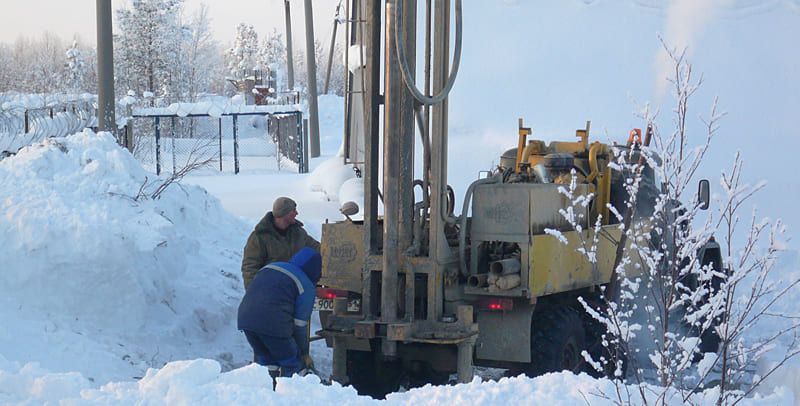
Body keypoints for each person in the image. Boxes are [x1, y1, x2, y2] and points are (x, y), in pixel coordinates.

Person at [238, 247, 322, 389]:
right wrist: (304, 354)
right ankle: (301, 396)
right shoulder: (305, 284)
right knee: (293, 364)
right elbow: (300, 325)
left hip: (246, 321)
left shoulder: (270, 267)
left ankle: (268, 394)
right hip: (273, 325)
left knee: (267, 363)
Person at [241, 197, 320, 291]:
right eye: (293, 210)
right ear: (284, 213)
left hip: (293, 290)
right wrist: (254, 293)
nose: (296, 213)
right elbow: (250, 268)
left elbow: (318, 248)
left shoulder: (298, 233)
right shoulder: (260, 237)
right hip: (270, 290)